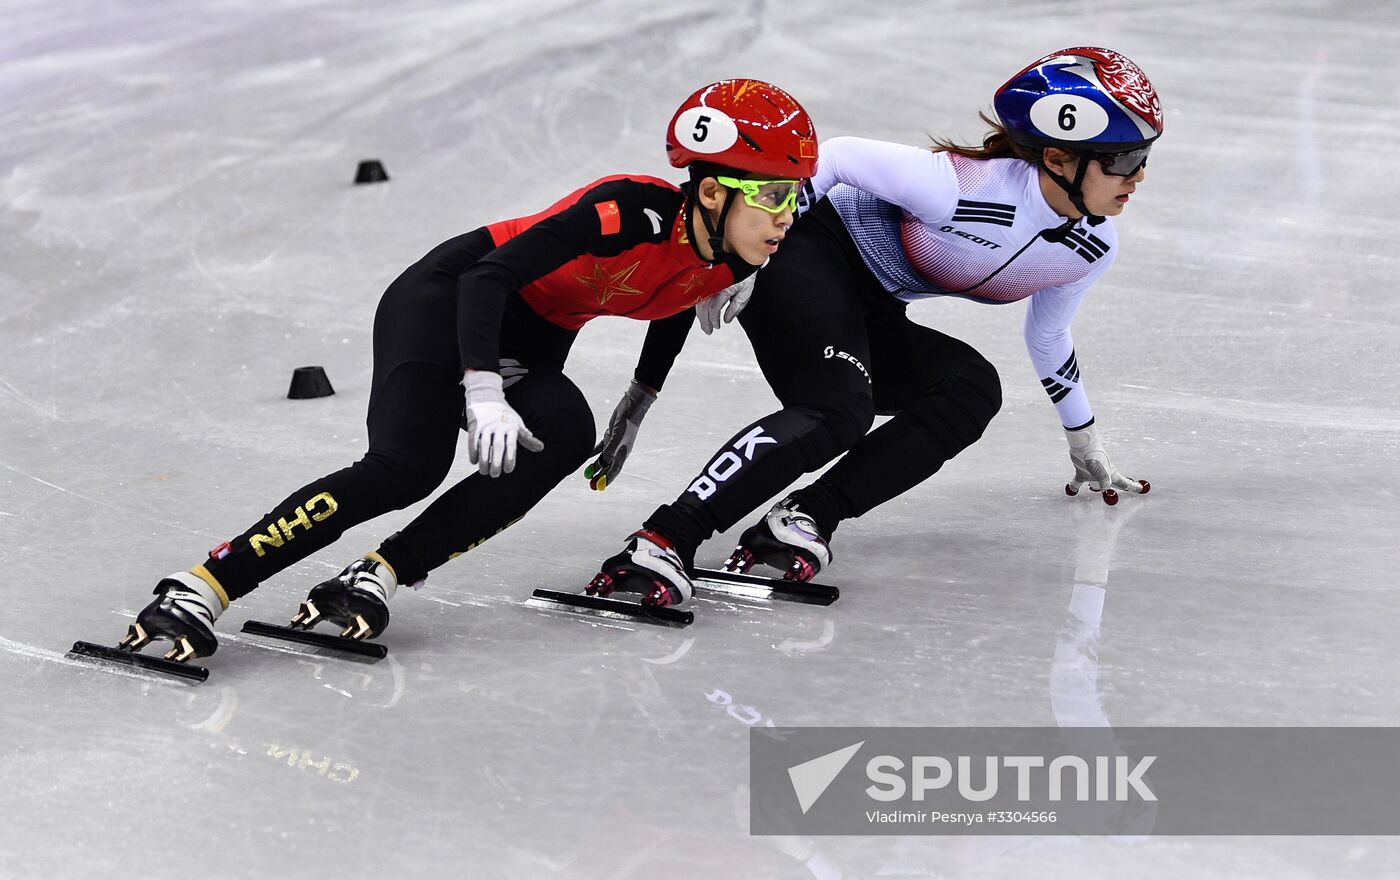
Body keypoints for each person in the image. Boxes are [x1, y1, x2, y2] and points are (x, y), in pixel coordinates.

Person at [115, 78, 818, 666]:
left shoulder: (734, 256)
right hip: (452, 295)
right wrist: (480, 390)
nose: (787, 216)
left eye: (795, 197)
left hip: (532, 335)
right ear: (712, 193)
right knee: (405, 467)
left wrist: (639, 398)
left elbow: (678, 294)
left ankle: (376, 573)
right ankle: (202, 585)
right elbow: (489, 274)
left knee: (561, 432)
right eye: (775, 197)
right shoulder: (627, 210)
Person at [584, 48, 1160, 607]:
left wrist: (1082, 438)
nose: (1136, 177)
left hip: (872, 304)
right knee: (840, 407)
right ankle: (665, 538)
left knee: (970, 389)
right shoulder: (960, 185)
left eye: (1143, 158)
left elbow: (1049, 336)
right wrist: (746, 261)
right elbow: (833, 158)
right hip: (809, 248)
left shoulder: (1090, 247)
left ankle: (805, 518)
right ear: (1059, 158)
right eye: (1124, 159)